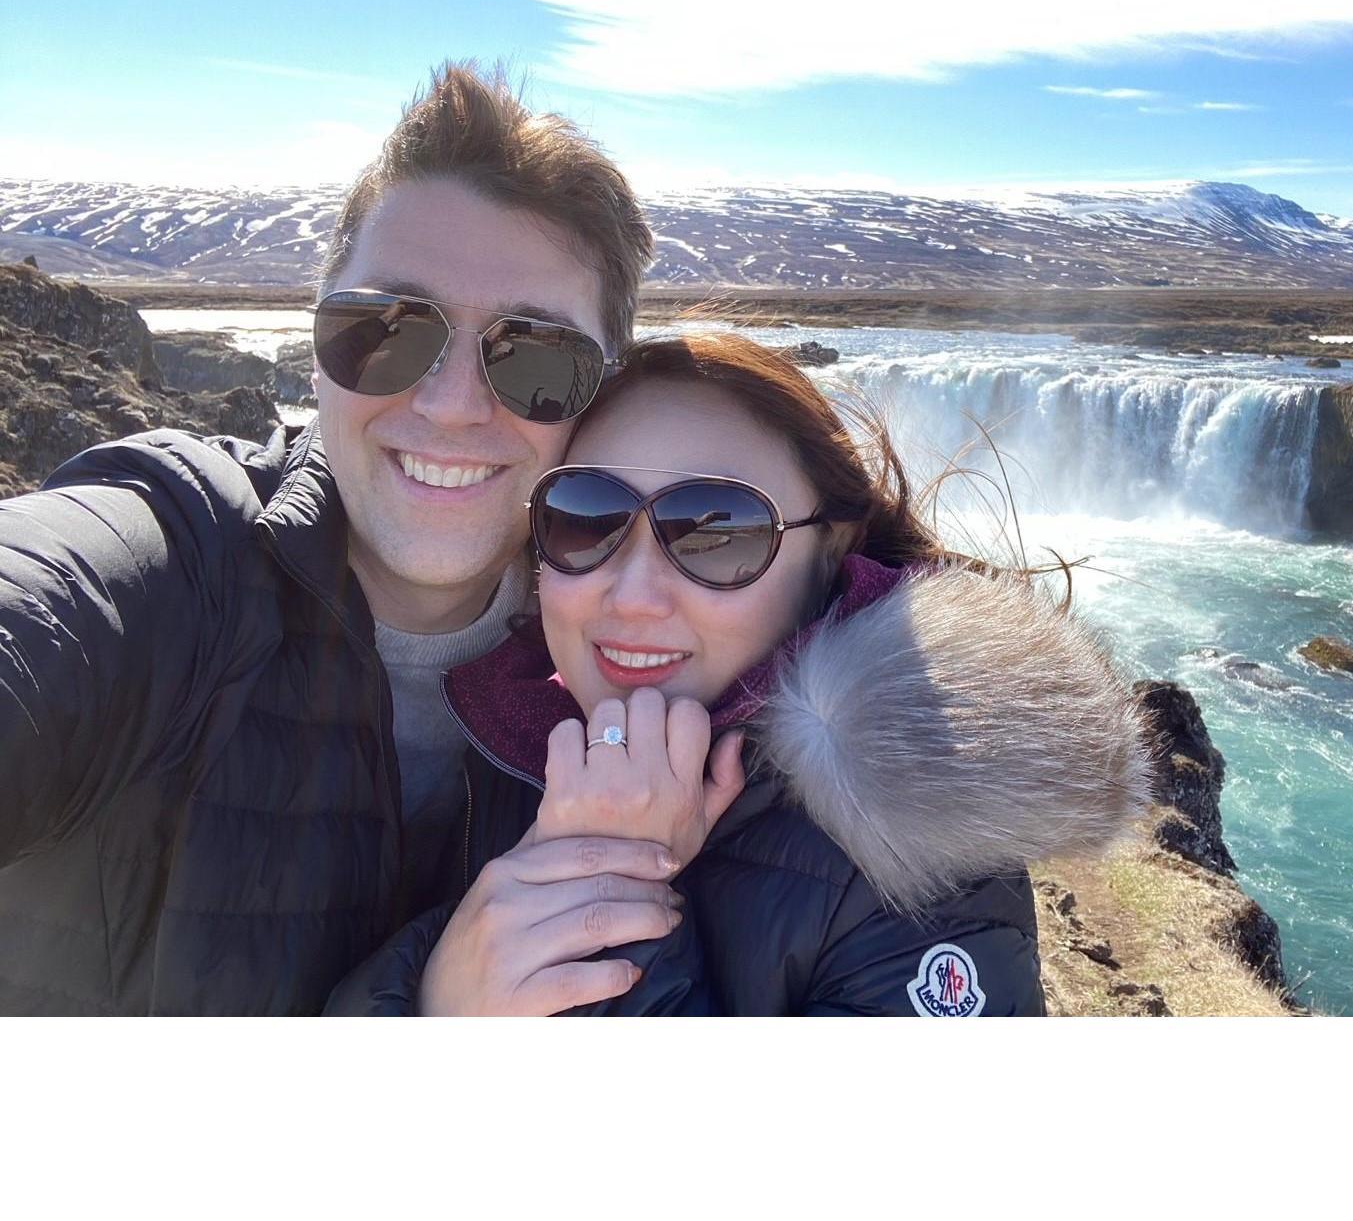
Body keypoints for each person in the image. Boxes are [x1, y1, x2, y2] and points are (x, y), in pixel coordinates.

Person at [0, 62, 684, 1015]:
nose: (449, 407)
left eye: (534, 357)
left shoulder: (653, 650)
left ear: (601, 397)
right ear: (315, 354)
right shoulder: (174, 557)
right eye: (387, 331)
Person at [328, 334, 1152, 1016]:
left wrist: (614, 901)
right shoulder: (509, 743)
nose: (634, 593)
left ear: (831, 552)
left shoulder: (921, 844)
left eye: (716, 533)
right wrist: (433, 999)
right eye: (585, 518)